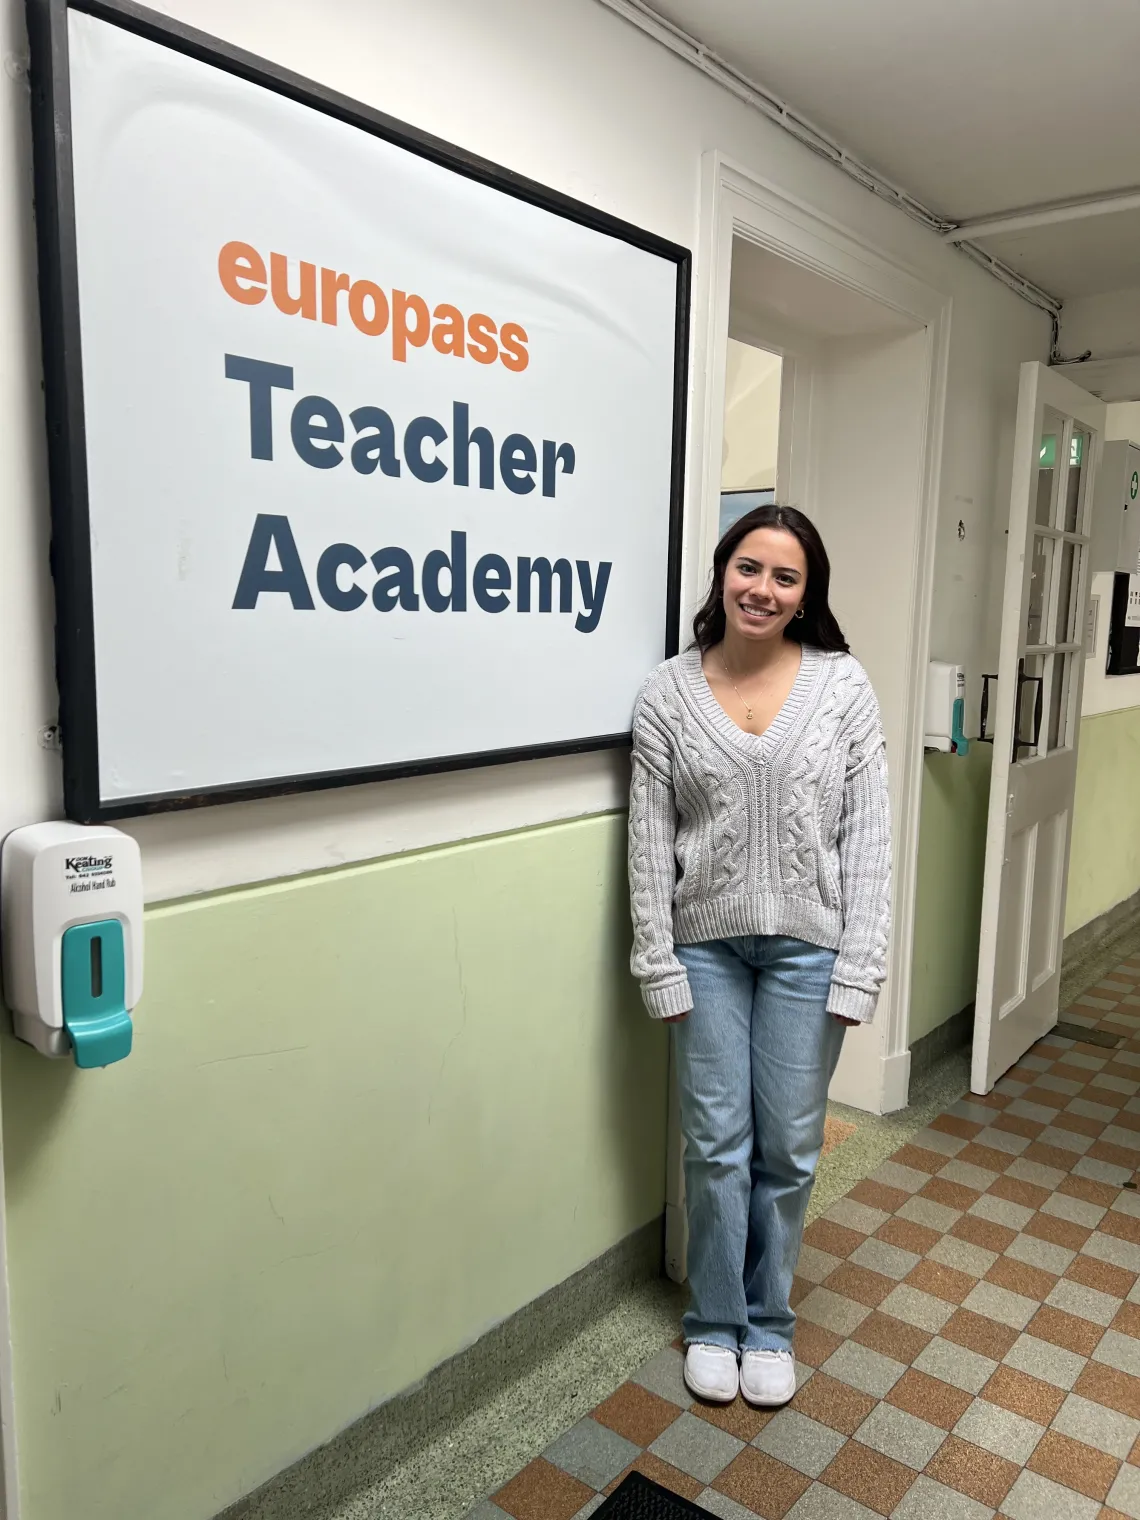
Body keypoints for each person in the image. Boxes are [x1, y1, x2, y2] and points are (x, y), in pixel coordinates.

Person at [627, 503, 891, 1407]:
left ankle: (767, 1322)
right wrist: (655, 959)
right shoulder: (667, 693)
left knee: (788, 1145)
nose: (763, 589)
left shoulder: (843, 687)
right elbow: (647, 840)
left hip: (808, 952)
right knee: (716, 1145)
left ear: (806, 593)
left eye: (785, 577)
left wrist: (861, 964)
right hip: (703, 948)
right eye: (749, 568)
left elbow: (869, 840)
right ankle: (714, 1319)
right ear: (722, 573)